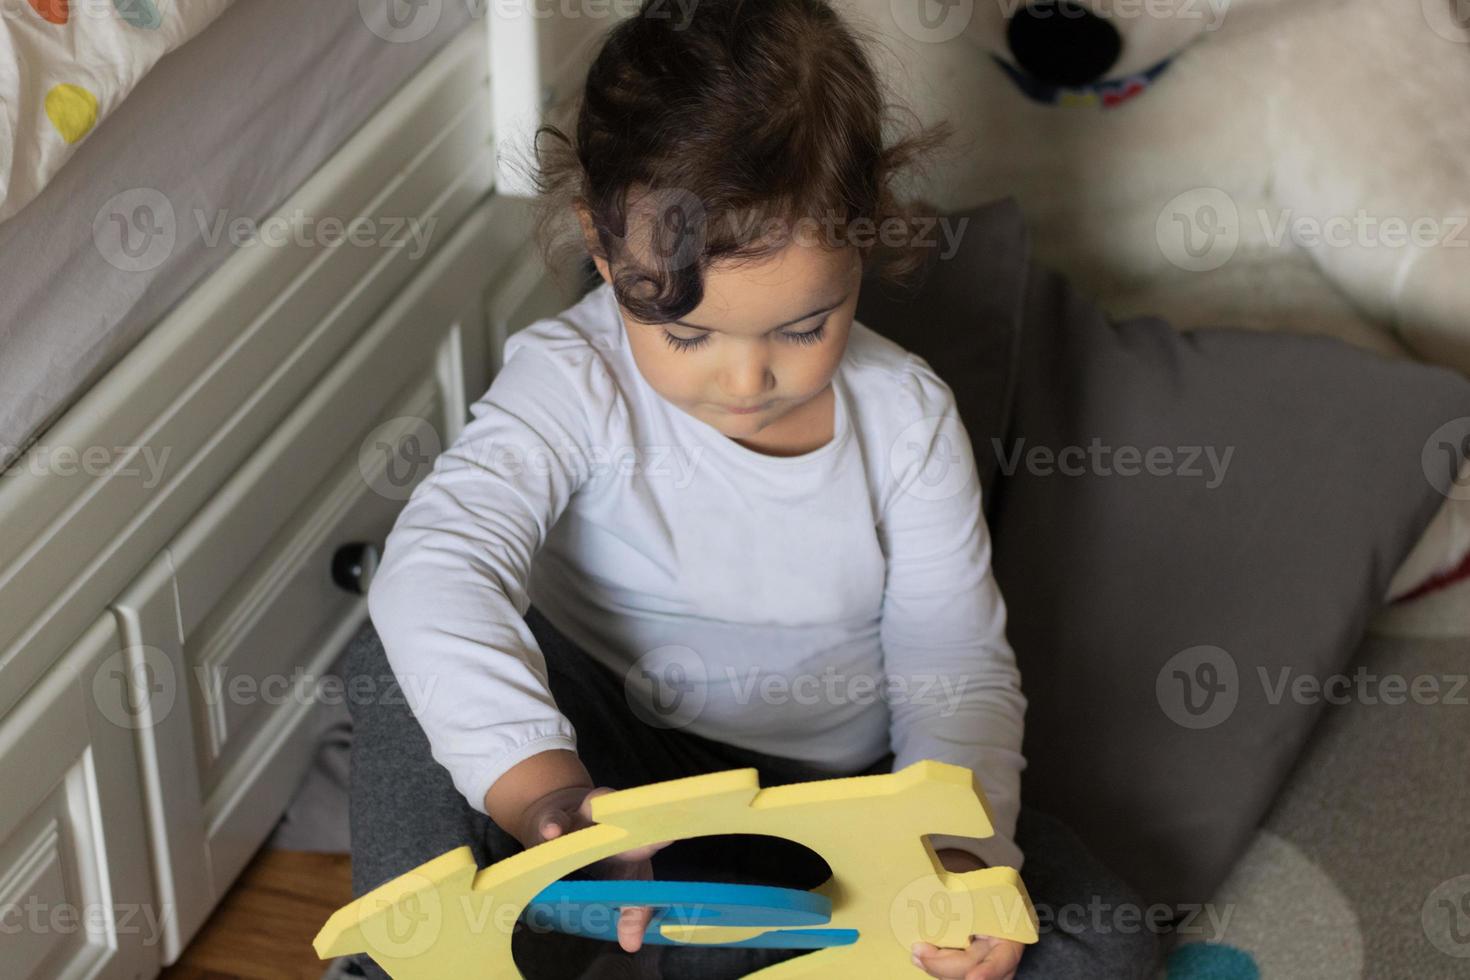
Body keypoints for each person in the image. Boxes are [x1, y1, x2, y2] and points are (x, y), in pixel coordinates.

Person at [347, 1, 1162, 978]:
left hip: (822, 795)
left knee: (1098, 939)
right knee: (398, 638)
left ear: (863, 241)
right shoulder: (569, 380)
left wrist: (957, 857)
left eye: (800, 327)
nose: (744, 382)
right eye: (686, 334)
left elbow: (954, 662)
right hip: (604, 768)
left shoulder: (905, 418)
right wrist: (541, 791)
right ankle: (407, 959)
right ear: (601, 249)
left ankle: (709, 942)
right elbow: (439, 567)